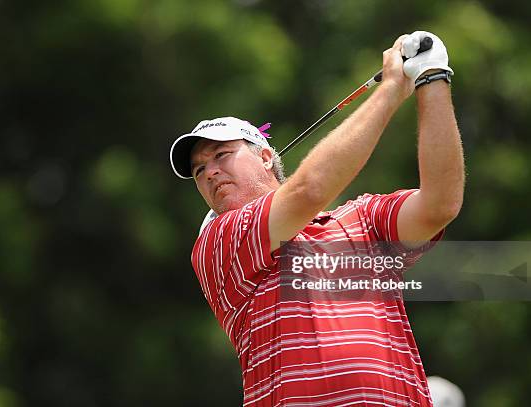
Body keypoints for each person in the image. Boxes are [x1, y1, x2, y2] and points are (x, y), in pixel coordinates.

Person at [169, 31, 464, 406]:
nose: (209, 172)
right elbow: (309, 191)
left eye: (222, 155)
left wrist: (432, 77)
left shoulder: (363, 219)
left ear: (263, 157)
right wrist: (390, 90)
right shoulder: (220, 241)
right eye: (198, 170)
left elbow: (440, 205)